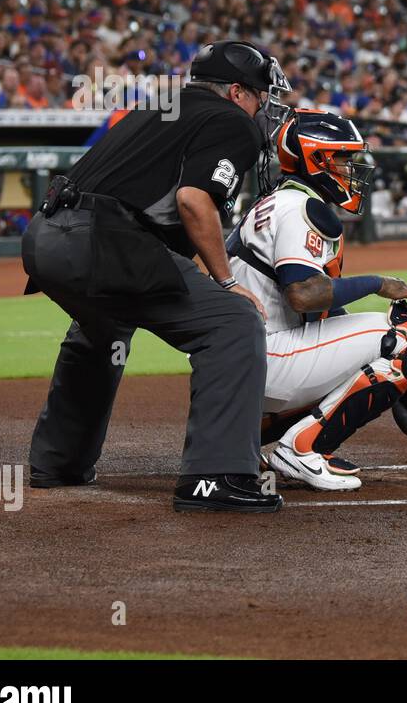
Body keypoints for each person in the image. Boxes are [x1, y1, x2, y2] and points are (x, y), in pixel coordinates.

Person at [22, 40, 288, 512]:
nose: (264, 105)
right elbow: (193, 200)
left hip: (47, 236)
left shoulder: (162, 108)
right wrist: (227, 285)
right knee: (232, 322)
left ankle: (58, 461)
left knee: (103, 326)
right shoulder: (231, 121)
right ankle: (215, 476)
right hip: (101, 241)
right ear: (235, 92)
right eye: (259, 94)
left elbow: (154, 212)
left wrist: (204, 268)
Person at [227, 111, 407, 491]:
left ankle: (237, 441)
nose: (351, 168)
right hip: (268, 358)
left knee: (366, 351)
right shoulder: (304, 208)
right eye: (342, 158)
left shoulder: (271, 203)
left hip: (236, 367)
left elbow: (318, 310)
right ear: (315, 159)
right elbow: (303, 295)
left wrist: (392, 375)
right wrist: (378, 284)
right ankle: (302, 449)